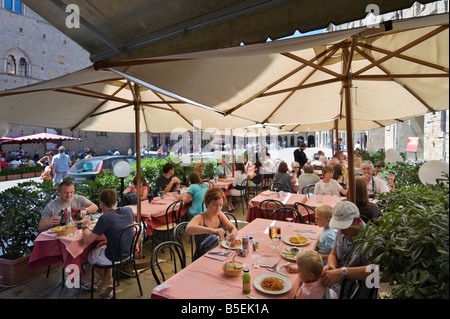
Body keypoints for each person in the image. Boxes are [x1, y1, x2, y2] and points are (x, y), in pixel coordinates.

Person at [80, 189, 135, 298]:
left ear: (101, 203)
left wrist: (85, 226)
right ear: (115, 200)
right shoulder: (128, 210)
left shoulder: (105, 218)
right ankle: (108, 282)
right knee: (103, 246)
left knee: (89, 253)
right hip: (129, 253)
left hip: (113, 257)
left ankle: (89, 280)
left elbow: (87, 240)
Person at [321, 200, 373, 299]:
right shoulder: (342, 231)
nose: (341, 232)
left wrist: (343, 273)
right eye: (339, 228)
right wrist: (331, 268)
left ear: (357, 221)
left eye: (345, 227)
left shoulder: (372, 239)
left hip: (355, 293)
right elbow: (333, 254)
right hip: (337, 287)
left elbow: (378, 273)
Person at [186, 187, 238, 261]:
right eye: (215, 204)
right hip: (202, 259)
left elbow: (233, 228)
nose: (218, 208)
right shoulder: (200, 218)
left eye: (220, 205)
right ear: (207, 203)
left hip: (218, 255)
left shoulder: (219, 215)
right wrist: (214, 231)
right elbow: (188, 229)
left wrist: (233, 234)